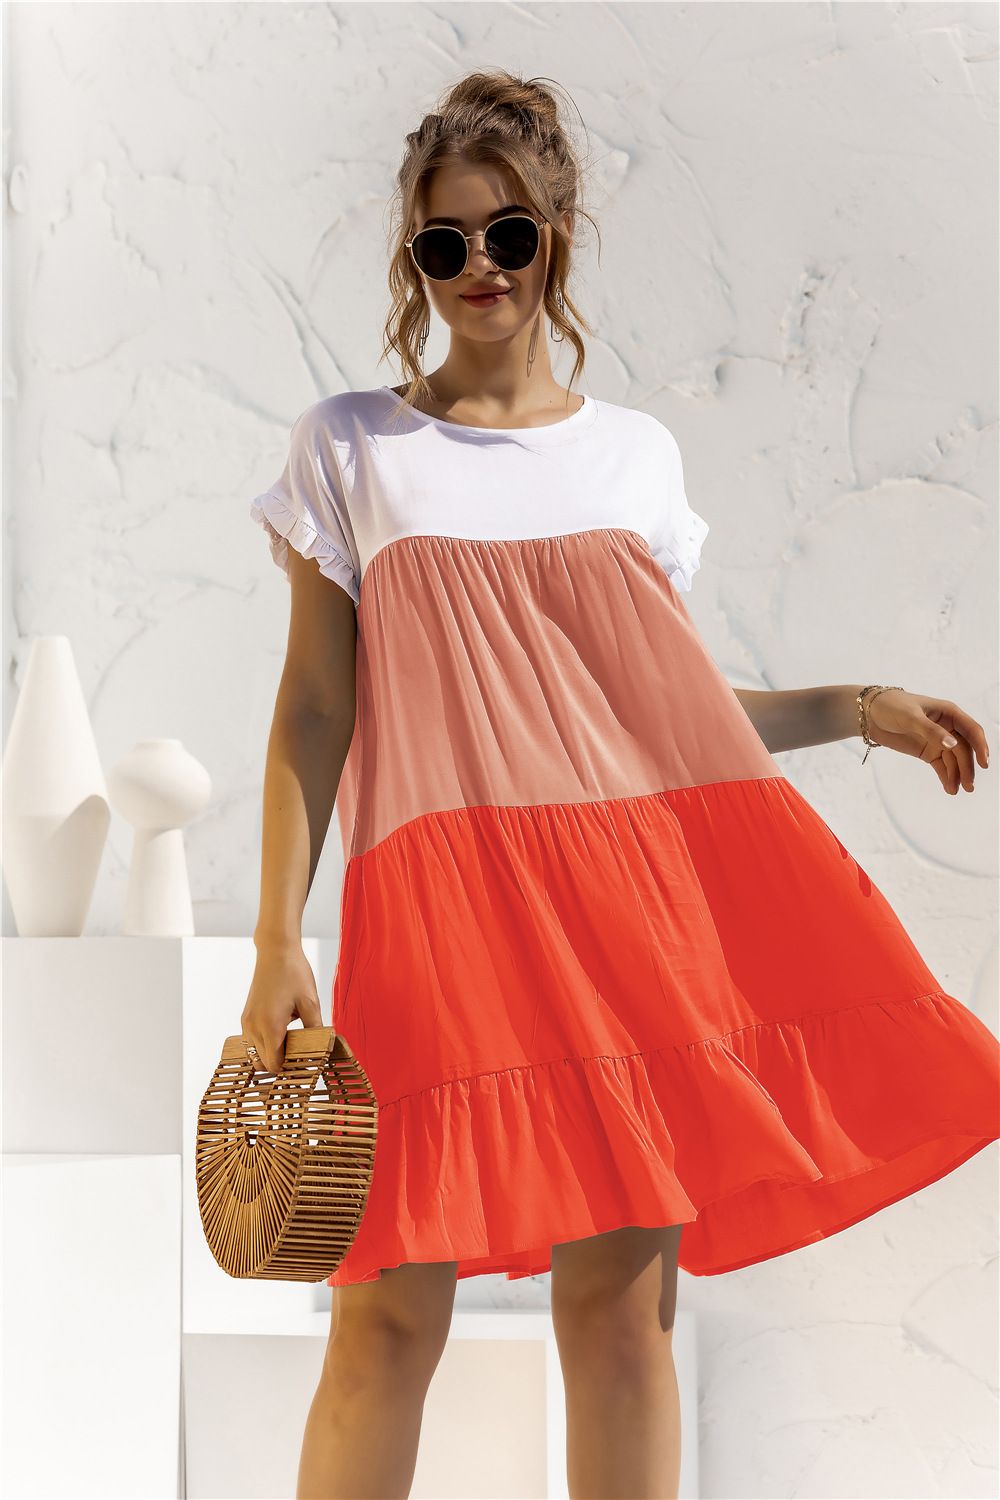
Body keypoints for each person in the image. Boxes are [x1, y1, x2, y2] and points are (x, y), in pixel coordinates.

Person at [243, 68, 998, 1500]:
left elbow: (664, 718)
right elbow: (317, 704)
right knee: (383, 1320)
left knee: (619, 1322)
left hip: (623, 921)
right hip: (440, 917)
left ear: (559, 234)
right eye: (444, 242)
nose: (479, 266)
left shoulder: (632, 458)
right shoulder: (350, 446)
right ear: (413, 258)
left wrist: (858, 707)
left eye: (508, 234)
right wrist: (280, 937)